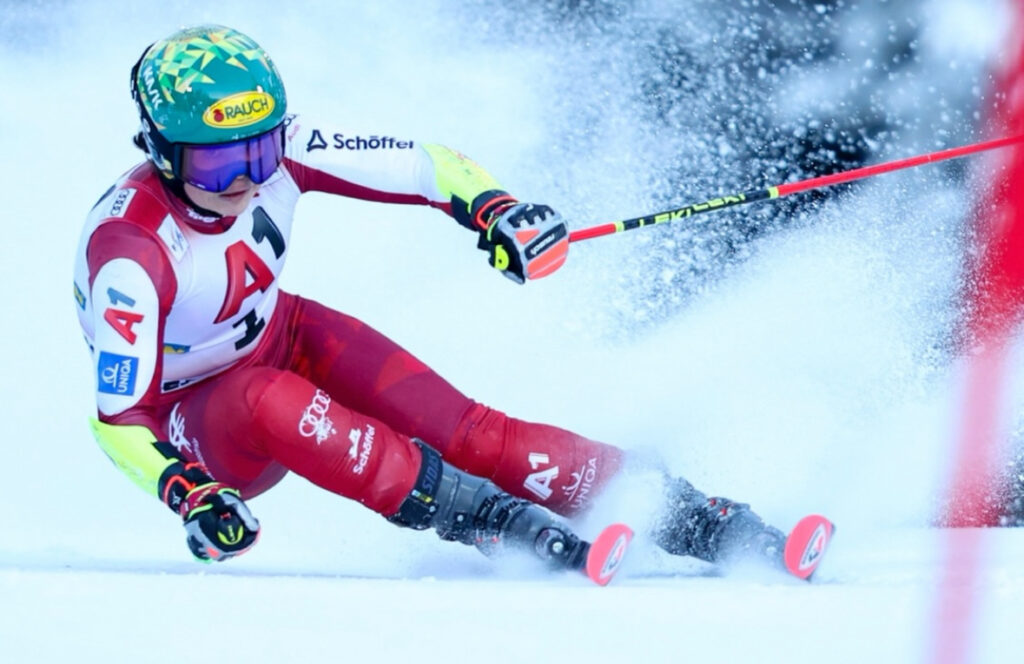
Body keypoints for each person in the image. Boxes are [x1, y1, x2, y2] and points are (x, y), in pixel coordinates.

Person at [74, 24, 793, 577]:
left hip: (275, 332)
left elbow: (424, 164)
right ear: (161, 148)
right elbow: (118, 419)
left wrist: (496, 209)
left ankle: (685, 511)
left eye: (260, 152)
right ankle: (480, 516)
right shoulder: (132, 253)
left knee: (473, 432)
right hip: (201, 422)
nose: (246, 179)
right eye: (218, 159)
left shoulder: (284, 150)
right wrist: (190, 492)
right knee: (265, 395)